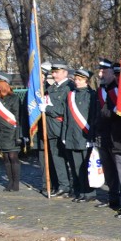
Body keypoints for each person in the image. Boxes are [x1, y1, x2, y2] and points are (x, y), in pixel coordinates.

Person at [40, 61, 74, 197]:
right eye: (53, 72)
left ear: (65, 72)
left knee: (69, 159)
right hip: (51, 128)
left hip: (64, 128)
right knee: (57, 158)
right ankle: (63, 185)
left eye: (57, 72)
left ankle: (76, 186)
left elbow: (63, 109)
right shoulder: (51, 88)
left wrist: (47, 108)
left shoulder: (69, 87)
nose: (54, 75)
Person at [63, 68, 97, 202]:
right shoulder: (71, 95)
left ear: (86, 81)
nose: (76, 82)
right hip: (72, 136)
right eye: (75, 79)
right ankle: (80, 191)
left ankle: (89, 192)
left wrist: (92, 136)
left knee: (86, 166)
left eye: (79, 79)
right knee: (76, 167)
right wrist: (64, 135)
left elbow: (93, 117)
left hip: (85, 136)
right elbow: (66, 116)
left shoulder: (91, 95)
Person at [0, 73, 22, 192]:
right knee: (6, 158)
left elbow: (18, 118)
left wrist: (18, 135)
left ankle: (16, 184)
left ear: (2, 84)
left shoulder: (14, 98)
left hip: (11, 132)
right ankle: (10, 182)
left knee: (13, 157)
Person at [94, 59, 121, 209]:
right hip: (102, 135)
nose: (100, 74)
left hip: (114, 136)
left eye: (104, 71)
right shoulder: (100, 89)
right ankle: (112, 199)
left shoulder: (117, 90)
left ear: (112, 72)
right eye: (100, 71)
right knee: (108, 169)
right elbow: (95, 114)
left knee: (118, 169)